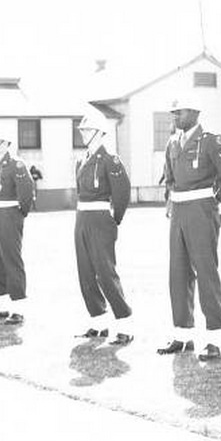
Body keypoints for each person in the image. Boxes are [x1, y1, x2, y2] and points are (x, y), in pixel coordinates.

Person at [157, 95, 221, 361]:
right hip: (179, 212)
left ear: (194, 112)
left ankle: (216, 339)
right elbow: (169, 178)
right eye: (172, 113)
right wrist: (172, 200)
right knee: (178, 273)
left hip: (201, 211)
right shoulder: (173, 142)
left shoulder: (210, 140)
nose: (174, 117)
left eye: (179, 113)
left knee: (205, 271)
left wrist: (215, 199)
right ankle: (183, 336)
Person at [73, 109, 134, 346]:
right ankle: (98, 322)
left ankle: (125, 324)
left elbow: (122, 192)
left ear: (99, 131)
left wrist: (114, 219)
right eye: (82, 130)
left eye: (87, 130)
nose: (83, 133)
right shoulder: (82, 158)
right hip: (82, 218)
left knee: (105, 273)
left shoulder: (110, 157)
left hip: (100, 219)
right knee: (85, 272)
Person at [0, 128, 35, 325]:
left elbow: (27, 193)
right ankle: (1, 306)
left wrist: (20, 214)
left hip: (10, 214)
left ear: (5, 143)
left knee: (12, 260)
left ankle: (18, 309)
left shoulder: (16, 164)